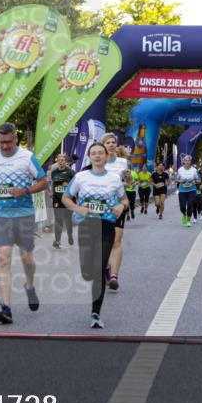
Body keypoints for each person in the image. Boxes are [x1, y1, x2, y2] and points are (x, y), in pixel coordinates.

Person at [0, 123, 47, 325]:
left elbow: (44, 181)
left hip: (24, 214)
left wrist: (25, 191)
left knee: (27, 258)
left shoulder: (27, 157)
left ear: (16, 139)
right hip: (1, 215)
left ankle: (29, 285)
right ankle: (6, 307)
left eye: (8, 142)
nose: (4, 147)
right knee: (3, 258)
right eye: (1, 142)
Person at [62, 142, 127, 329]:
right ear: (89, 157)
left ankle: (96, 312)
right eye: (94, 153)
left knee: (97, 270)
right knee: (87, 272)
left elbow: (124, 199)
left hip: (106, 226)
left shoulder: (114, 178)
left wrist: (121, 206)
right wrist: (77, 208)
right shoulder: (80, 177)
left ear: (106, 156)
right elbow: (66, 197)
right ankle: (101, 270)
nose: (97, 156)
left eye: (101, 153)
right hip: (86, 226)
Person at [100, 133, 128, 291]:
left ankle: (114, 276)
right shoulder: (97, 161)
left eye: (113, 142)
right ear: (103, 145)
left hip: (117, 205)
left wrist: (127, 179)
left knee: (116, 241)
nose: (111, 145)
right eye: (108, 142)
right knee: (102, 242)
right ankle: (105, 269)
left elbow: (126, 182)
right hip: (99, 206)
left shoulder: (123, 162)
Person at [174, 155, 201, 228]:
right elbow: (175, 179)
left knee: (190, 205)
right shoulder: (180, 170)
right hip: (182, 190)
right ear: (184, 161)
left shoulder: (194, 170)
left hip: (192, 190)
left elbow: (199, 180)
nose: (187, 162)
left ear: (190, 162)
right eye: (186, 160)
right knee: (182, 207)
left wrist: (194, 182)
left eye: (189, 160)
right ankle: (184, 214)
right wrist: (180, 181)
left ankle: (188, 221)